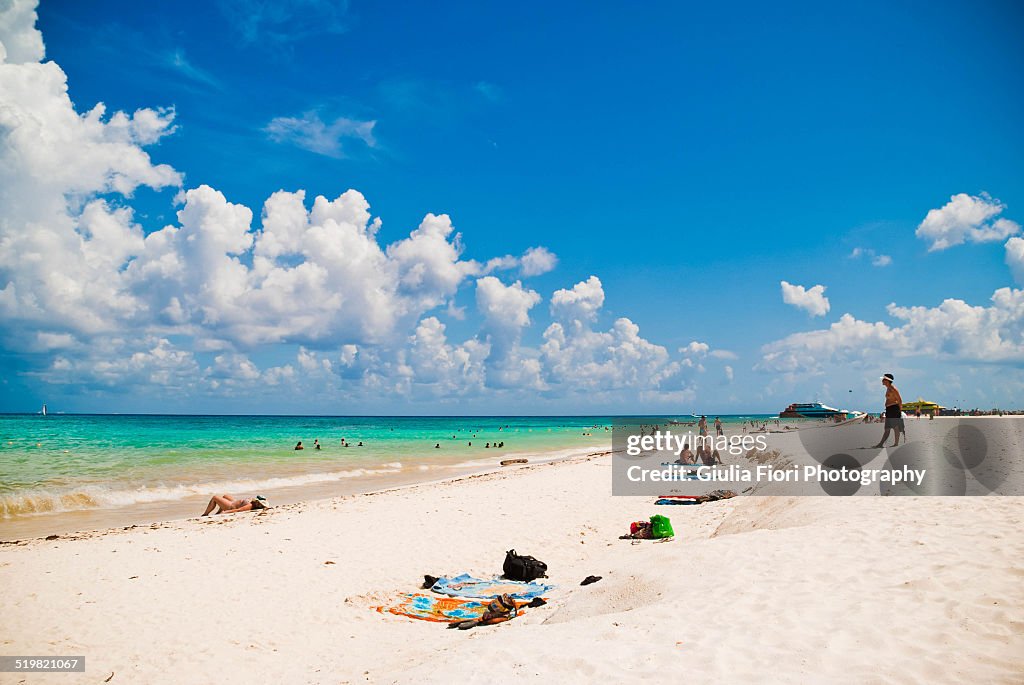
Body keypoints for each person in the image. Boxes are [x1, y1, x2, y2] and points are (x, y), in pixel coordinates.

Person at [872, 373, 904, 448]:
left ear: (887, 380)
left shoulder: (893, 389)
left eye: (883, 379)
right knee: (887, 428)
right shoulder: (888, 388)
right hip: (889, 409)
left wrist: (899, 411)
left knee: (895, 427)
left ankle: (896, 443)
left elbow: (899, 400)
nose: (882, 380)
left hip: (894, 409)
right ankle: (881, 444)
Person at [201, 494, 269, 516]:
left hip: (230, 506)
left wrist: (225, 512)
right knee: (225, 496)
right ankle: (218, 512)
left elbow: (238, 510)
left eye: (260, 503)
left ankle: (205, 514)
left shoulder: (250, 505)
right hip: (234, 502)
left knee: (215, 497)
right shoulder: (254, 502)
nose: (258, 503)